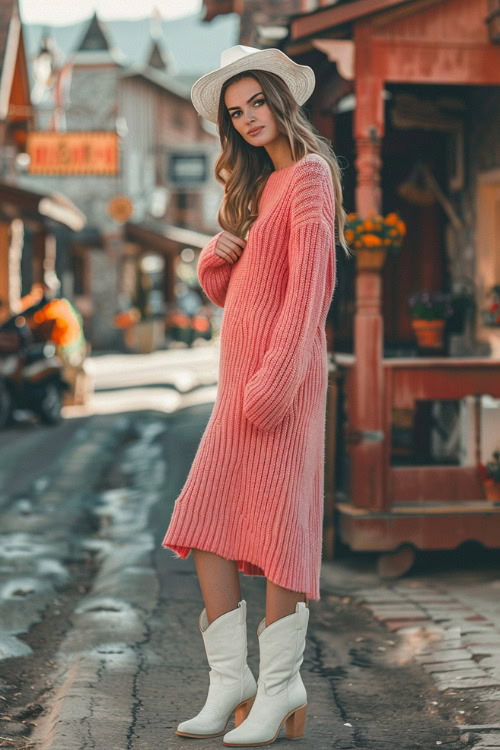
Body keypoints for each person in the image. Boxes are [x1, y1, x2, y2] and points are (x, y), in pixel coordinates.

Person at [162, 44, 351, 746]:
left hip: (283, 385)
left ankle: (278, 690)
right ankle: (231, 681)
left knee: (277, 534)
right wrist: (219, 251)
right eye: (234, 112)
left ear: (281, 100)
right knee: (203, 523)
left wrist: (276, 378)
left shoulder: (307, 177)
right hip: (240, 391)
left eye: (256, 104)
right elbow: (231, 292)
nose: (246, 119)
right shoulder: (260, 189)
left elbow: (308, 293)